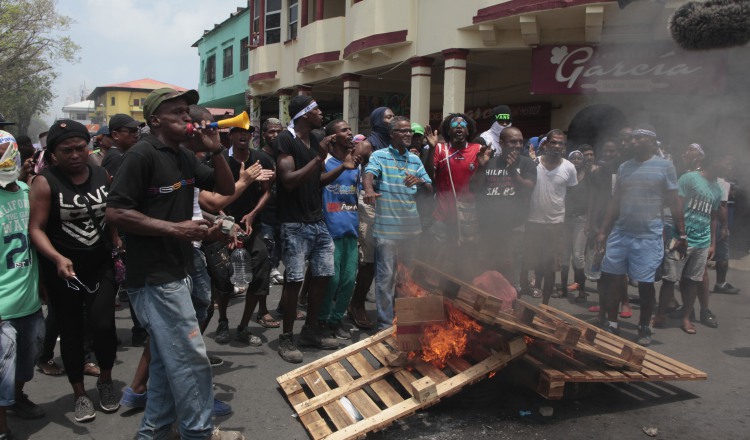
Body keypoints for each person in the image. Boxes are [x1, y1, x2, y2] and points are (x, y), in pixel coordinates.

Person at [105, 88, 242, 440]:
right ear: (155, 121)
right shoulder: (141, 155)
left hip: (177, 270)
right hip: (153, 276)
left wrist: (216, 151)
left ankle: (153, 432)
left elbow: (225, 190)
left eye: (187, 111)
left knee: (167, 361)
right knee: (190, 357)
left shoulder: (182, 156)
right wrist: (174, 228)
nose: (188, 117)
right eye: (178, 112)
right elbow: (116, 212)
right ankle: (198, 432)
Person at [28, 120, 120, 422]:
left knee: (103, 325)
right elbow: (36, 229)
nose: (75, 155)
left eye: (80, 147)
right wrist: (56, 257)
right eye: (66, 150)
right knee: (70, 330)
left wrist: (116, 240)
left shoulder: (99, 173)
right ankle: (80, 394)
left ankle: (105, 380)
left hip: (99, 264)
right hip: (63, 271)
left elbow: (110, 212)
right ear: (53, 154)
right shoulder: (45, 182)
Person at [595, 124, 686, 347]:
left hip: (648, 236)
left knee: (646, 285)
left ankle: (644, 326)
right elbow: (615, 201)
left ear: (652, 142)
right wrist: (604, 231)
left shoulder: (665, 166)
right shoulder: (625, 167)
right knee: (614, 282)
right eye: (631, 139)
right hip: (621, 233)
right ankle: (612, 324)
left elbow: (674, 201)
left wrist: (682, 234)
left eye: (638, 139)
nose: (632, 142)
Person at [275, 95, 340, 363]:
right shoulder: (286, 139)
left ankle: (310, 331)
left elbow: (316, 180)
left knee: (323, 276)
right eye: (316, 109)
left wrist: (342, 167)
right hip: (294, 223)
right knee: (294, 281)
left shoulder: (315, 140)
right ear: (304, 114)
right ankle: (287, 337)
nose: (321, 113)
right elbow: (288, 181)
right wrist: (318, 158)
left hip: (317, 222)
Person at [200, 124, 275, 346]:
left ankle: (243, 327)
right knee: (223, 279)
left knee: (260, 275)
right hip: (222, 227)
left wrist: (252, 214)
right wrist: (226, 220)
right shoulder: (217, 159)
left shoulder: (261, 159)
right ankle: (223, 321)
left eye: (248, 132)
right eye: (238, 131)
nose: (243, 135)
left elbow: (268, 190)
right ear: (229, 135)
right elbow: (209, 196)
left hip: (253, 226)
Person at [363, 116, 433, 330]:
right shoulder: (380, 156)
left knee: (407, 278)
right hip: (386, 232)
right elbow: (369, 174)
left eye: (409, 131)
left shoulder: (415, 160)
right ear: (392, 134)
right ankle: (384, 324)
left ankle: (402, 319)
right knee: (385, 280)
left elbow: (430, 189)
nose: (408, 134)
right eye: (402, 131)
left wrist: (421, 181)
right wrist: (368, 189)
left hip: (412, 231)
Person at [0, 131, 46, 438]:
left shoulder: (26, 195)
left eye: (6, 152)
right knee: (2, 372)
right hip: (2, 307)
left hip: (29, 302)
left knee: (27, 363)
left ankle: (17, 398)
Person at [653, 153, 723, 334]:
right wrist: (681, 234)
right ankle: (660, 314)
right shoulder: (689, 178)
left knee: (693, 280)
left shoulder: (717, 189)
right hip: (680, 239)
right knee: (670, 279)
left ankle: (685, 317)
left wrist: (712, 243)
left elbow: (713, 218)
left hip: (702, 241)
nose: (730, 167)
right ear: (715, 161)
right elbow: (677, 206)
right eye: (727, 162)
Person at [347, 107, 395, 330]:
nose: (392, 120)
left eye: (393, 116)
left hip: (393, 205)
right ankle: (356, 304)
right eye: (388, 117)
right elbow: (349, 168)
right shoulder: (368, 144)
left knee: (391, 259)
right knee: (369, 260)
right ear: (377, 120)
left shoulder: (395, 144)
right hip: (371, 205)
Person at [519, 130, 578, 304]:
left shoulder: (569, 167)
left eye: (561, 143)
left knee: (550, 267)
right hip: (532, 222)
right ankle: (520, 300)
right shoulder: (533, 164)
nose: (557, 146)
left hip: (555, 225)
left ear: (564, 147)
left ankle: (545, 306)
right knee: (526, 263)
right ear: (545, 144)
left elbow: (572, 195)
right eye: (554, 142)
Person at [424, 113, 484, 272]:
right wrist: (431, 149)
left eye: (463, 125)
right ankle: (435, 290)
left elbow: (479, 186)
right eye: (454, 125)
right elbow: (430, 176)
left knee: (465, 259)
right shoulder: (440, 149)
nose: (459, 127)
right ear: (448, 131)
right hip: (442, 215)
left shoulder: (477, 150)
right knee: (439, 257)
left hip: (467, 216)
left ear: (468, 130)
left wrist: (483, 166)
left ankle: (459, 292)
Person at [319, 120, 362, 339]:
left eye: (349, 129)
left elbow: (357, 194)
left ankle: (336, 320)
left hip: (351, 231)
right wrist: (341, 166)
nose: (350, 132)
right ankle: (322, 320)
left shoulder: (357, 165)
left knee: (348, 280)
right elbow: (318, 183)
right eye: (344, 130)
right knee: (332, 280)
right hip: (329, 232)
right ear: (333, 137)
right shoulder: (325, 163)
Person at [561, 149, 593, 302]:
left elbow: (592, 201)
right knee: (565, 256)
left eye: (579, 158)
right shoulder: (565, 176)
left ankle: (582, 289)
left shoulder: (588, 177)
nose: (576, 161)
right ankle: (562, 289)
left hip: (581, 219)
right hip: (565, 219)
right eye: (573, 158)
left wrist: (589, 222)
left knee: (578, 256)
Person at [258, 118, 285, 287]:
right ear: (264, 135)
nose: (275, 135)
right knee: (267, 244)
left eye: (279, 131)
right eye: (271, 131)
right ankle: (265, 274)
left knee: (280, 245)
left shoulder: (285, 155)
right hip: (265, 211)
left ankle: (274, 269)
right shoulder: (259, 156)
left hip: (284, 210)